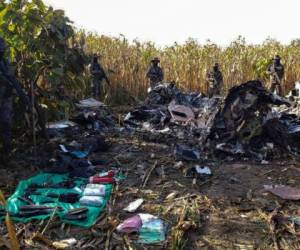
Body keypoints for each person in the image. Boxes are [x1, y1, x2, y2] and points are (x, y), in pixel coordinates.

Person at [0, 36, 29, 158]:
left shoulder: (4, 62)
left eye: (3, 49)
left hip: (5, 97)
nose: (2, 51)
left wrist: (22, 95)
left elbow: (12, 78)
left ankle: (7, 151)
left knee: (6, 123)